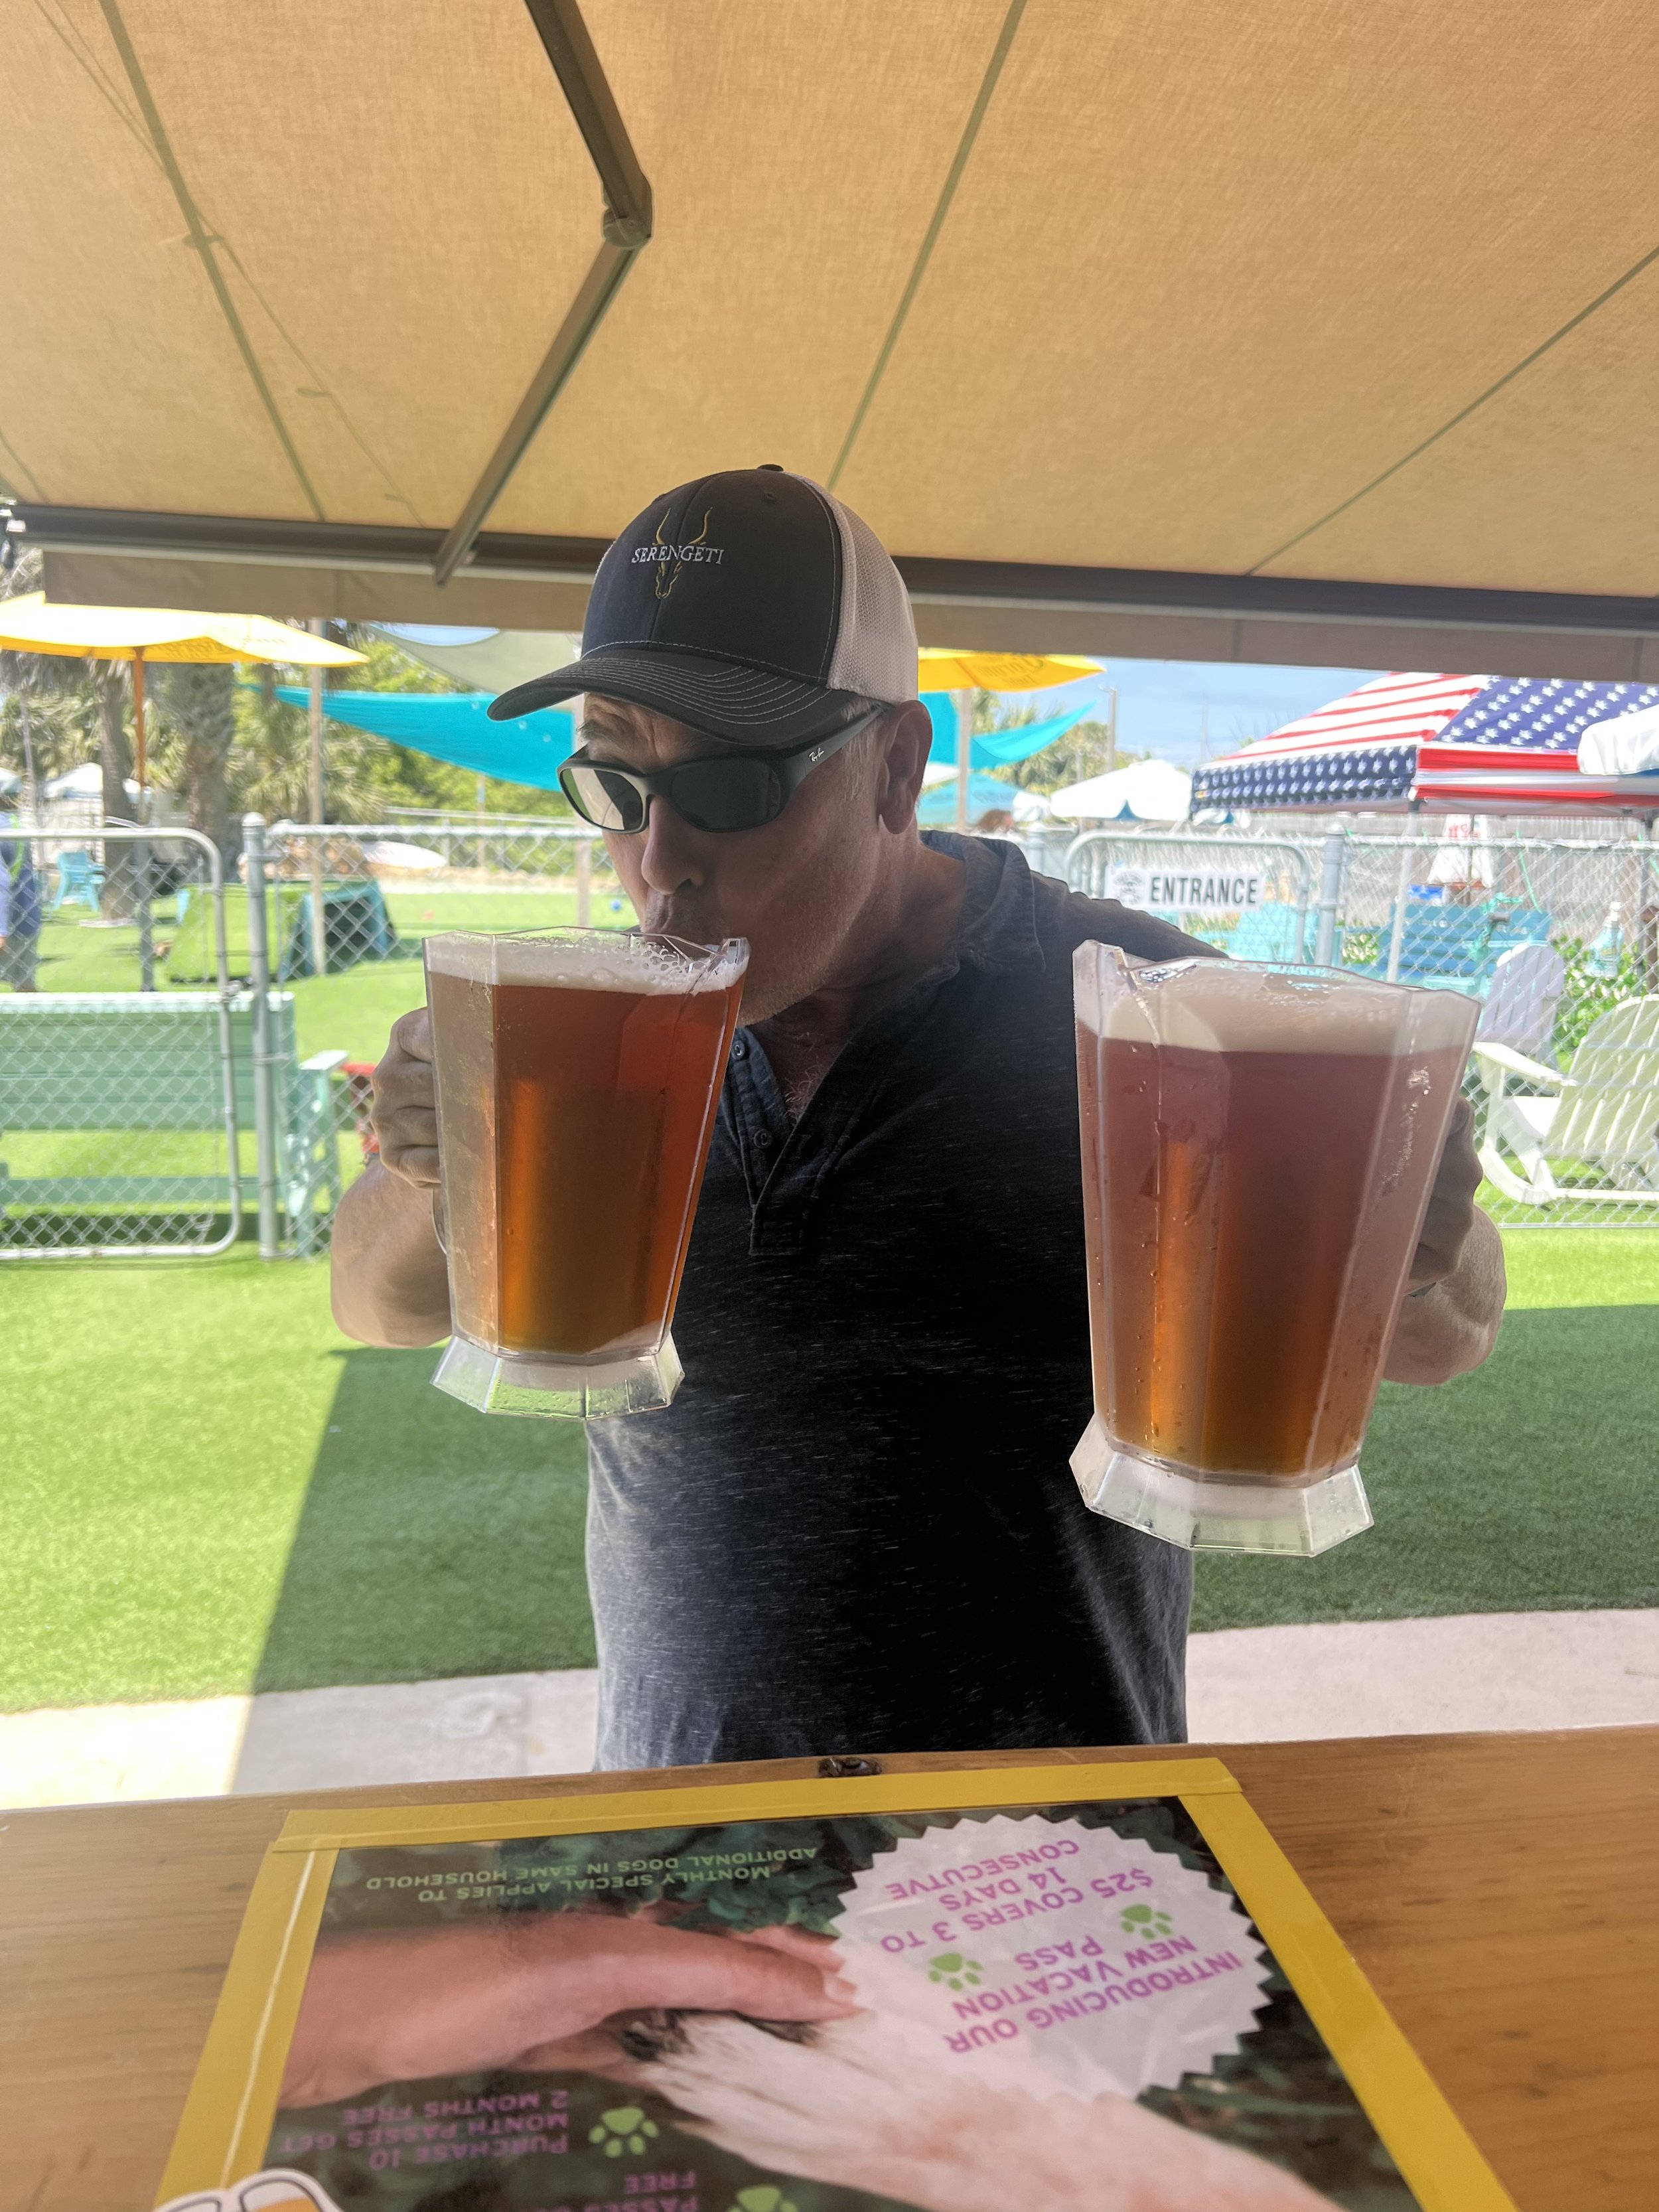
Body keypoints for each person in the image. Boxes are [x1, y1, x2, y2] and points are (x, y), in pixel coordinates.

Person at [331, 467, 1505, 1770]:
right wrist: (431, 1167)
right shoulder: (570, 1025)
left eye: (730, 786)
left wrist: (1420, 1234)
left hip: (1056, 1837)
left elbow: (1452, 1332)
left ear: (895, 767)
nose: (657, 858)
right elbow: (371, 1306)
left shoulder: (1142, 1010)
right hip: (689, 1836)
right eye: (614, 784)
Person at [0, 821, 42, 992]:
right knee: (25, 986)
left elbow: (2, 883)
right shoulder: (12, 823)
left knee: (25, 988)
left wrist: (1, 930)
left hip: (12, 920)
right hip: (27, 915)